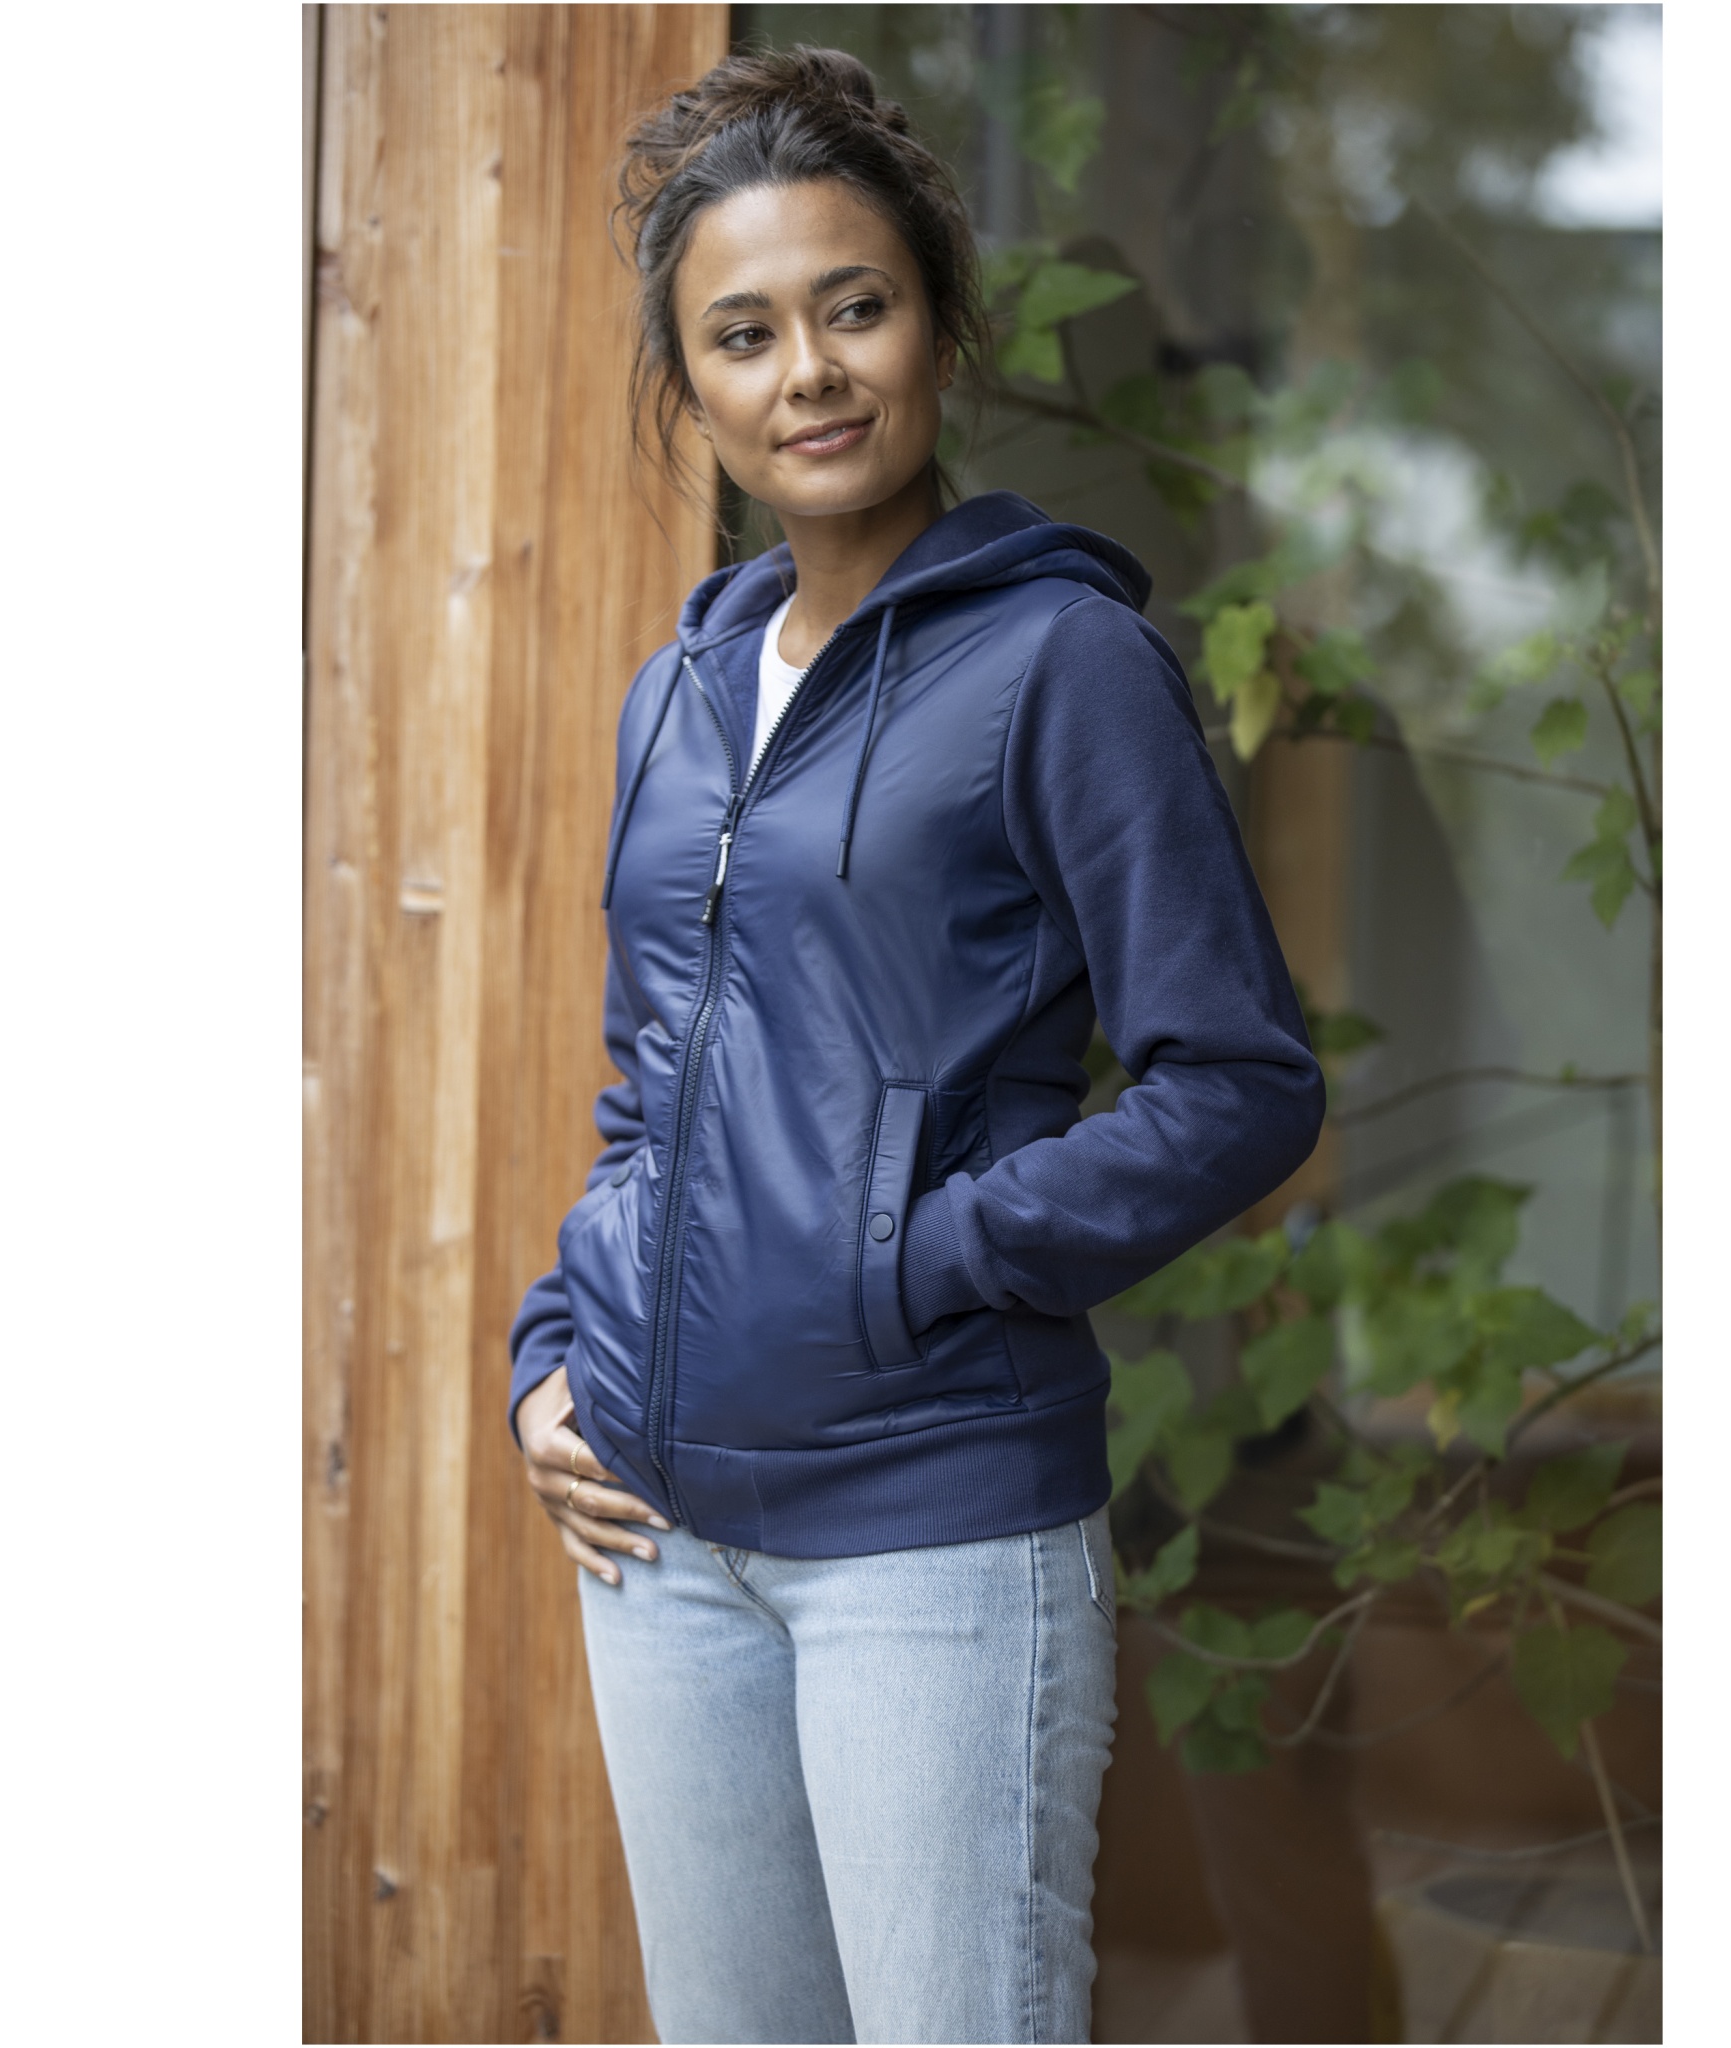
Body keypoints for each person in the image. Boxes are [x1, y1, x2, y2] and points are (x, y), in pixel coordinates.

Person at [507, 45, 1325, 2047]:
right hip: (659, 1539)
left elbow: (1239, 1084)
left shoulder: (1064, 663)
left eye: (853, 307)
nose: (808, 372)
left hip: (930, 1531)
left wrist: (926, 1254)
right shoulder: (680, 692)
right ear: (693, 384)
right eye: (744, 334)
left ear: (940, 326)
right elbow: (654, 1080)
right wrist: (554, 1346)